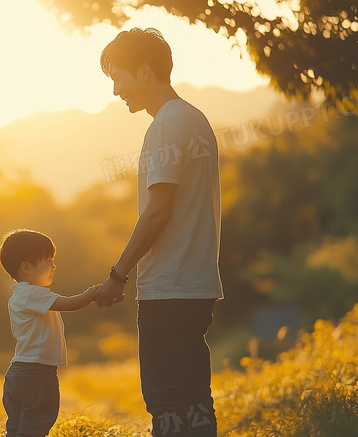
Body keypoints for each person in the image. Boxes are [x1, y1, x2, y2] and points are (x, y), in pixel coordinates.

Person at [95, 28, 224, 437]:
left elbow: (158, 212)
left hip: (167, 289)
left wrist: (118, 275)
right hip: (197, 286)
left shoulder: (165, 126)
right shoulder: (195, 119)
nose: (117, 90)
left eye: (119, 77)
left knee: (167, 404)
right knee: (196, 403)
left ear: (146, 71)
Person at [0, 228, 99, 437]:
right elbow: (70, 304)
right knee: (36, 424)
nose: (54, 266)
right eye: (49, 261)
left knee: (16, 428)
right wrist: (92, 294)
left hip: (19, 373)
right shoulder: (33, 293)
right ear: (26, 267)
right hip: (37, 373)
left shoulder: (20, 296)